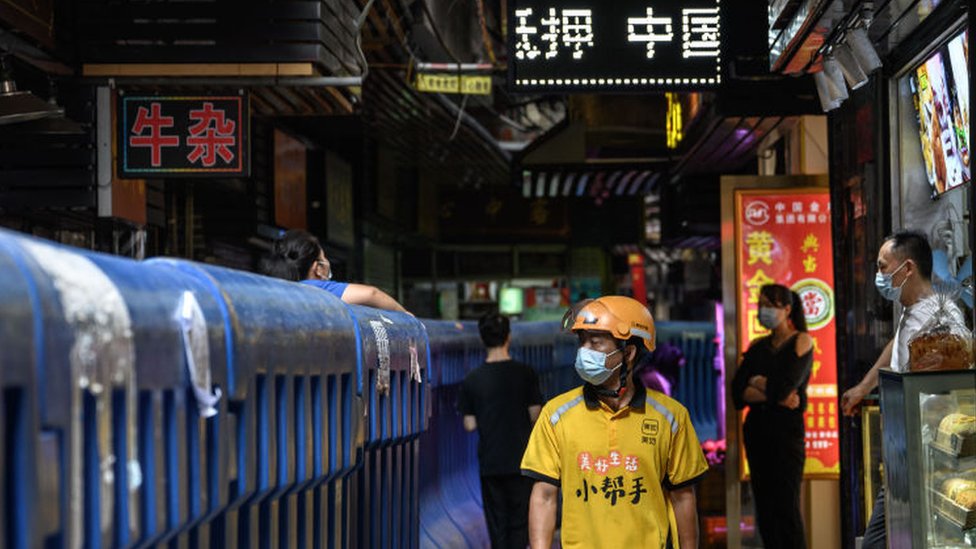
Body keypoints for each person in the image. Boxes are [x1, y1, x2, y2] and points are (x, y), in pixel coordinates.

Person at [521, 296, 708, 548]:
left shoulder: (671, 417)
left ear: (628, 353)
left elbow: (683, 497)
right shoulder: (556, 415)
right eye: (582, 341)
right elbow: (544, 496)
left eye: (595, 342)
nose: (584, 351)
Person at [840, 230, 967, 549]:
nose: (878, 276)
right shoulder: (913, 310)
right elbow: (897, 344)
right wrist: (864, 386)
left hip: (928, 460)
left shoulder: (942, 316)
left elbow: (953, 380)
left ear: (907, 268)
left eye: (883, 267)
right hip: (903, 453)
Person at [731, 284, 812, 549]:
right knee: (764, 506)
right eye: (761, 304)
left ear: (787, 309)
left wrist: (757, 383)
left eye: (770, 305)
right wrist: (771, 391)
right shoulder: (757, 347)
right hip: (757, 433)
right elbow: (737, 392)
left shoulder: (801, 341)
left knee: (786, 505)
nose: (763, 310)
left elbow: (784, 387)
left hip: (786, 436)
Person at [457, 312, 544, 549]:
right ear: (508, 337)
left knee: (497, 525)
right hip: (522, 461)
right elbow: (536, 414)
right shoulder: (525, 373)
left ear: (482, 339)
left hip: (491, 462)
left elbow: (469, 424)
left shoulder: (472, 379)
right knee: (519, 523)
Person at [260, 229, 410, 314]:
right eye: (324, 258)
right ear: (317, 268)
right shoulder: (314, 289)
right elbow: (372, 294)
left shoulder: (274, 290)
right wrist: (408, 317)